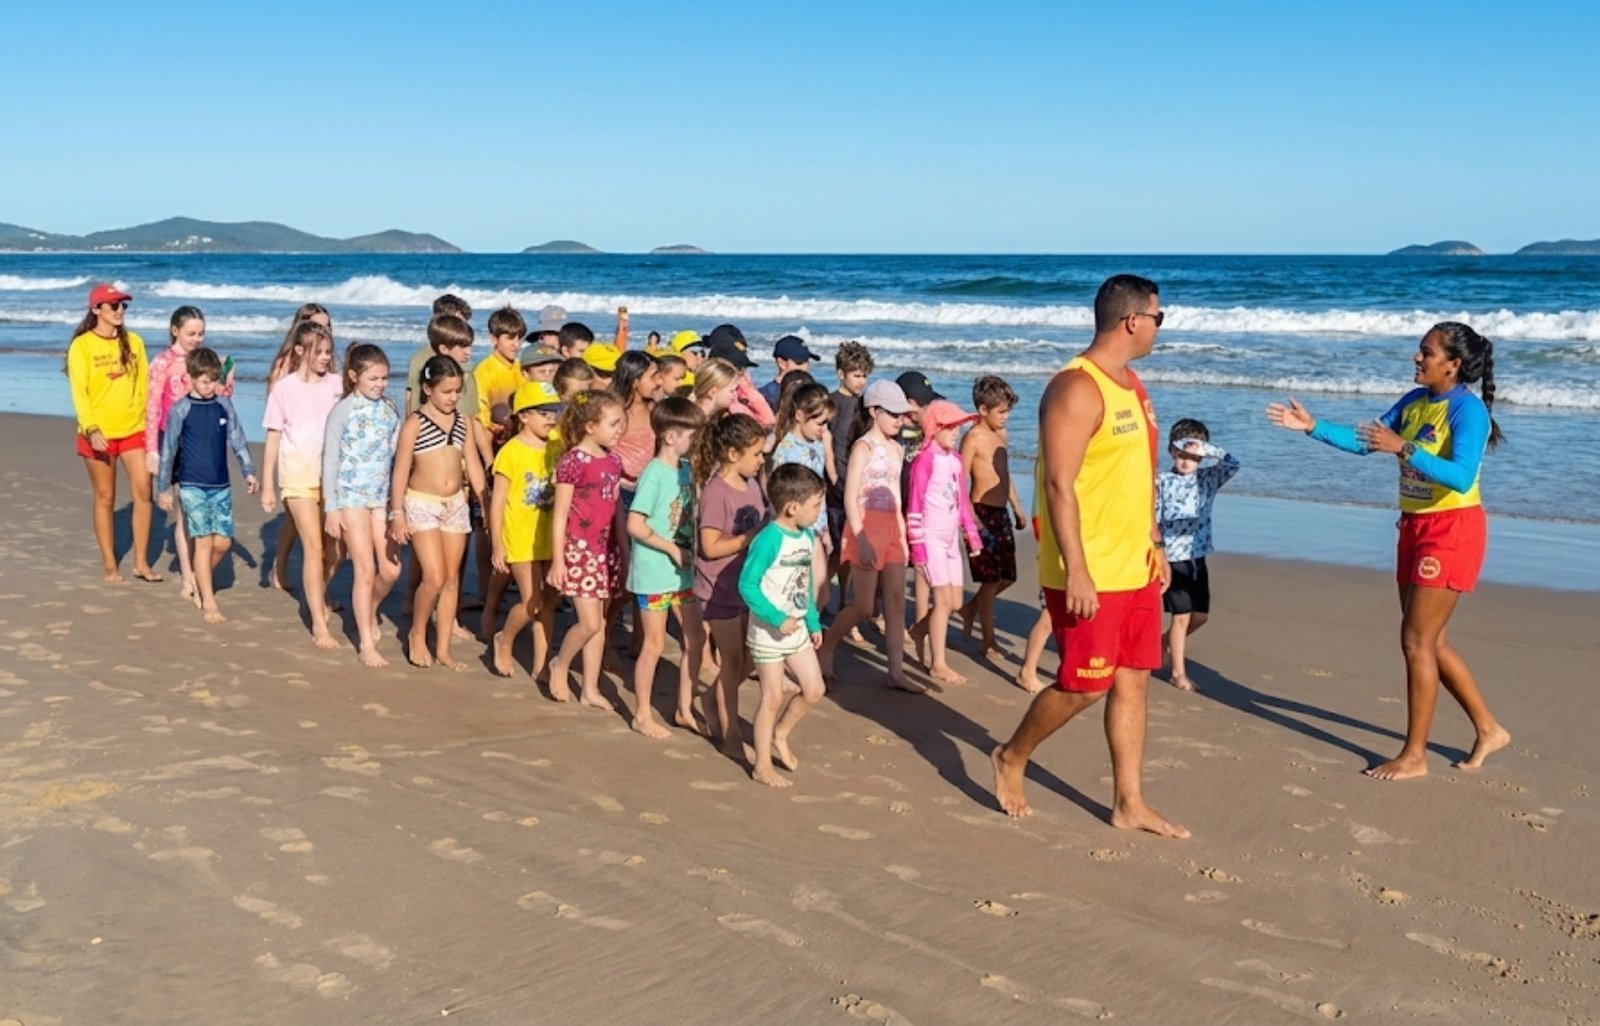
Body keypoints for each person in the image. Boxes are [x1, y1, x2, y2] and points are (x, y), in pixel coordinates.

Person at [1266, 322, 1511, 780]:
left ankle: (1414, 755)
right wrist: (1313, 427)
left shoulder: (1467, 410)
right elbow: (1367, 441)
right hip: (1414, 526)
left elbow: (1460, 476)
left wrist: (1406, 449)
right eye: (1420, 351)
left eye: (1427, 352)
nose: (1417, 358)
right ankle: (1489, 728)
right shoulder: (1415, 402)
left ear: (1452, 365)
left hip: (1452, 529)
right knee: (1429, 641)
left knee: (1416, 641)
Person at [990, 274, 1189, 839]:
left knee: (1133, 682)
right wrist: (1075, 568)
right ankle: (1012, 753)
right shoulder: (1076, 388)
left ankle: (1128, 802)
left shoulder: (1135, 386)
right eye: (1158, 316)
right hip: (1090, 568)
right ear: (1132, 320)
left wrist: (1154, 542)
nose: (1159, 326)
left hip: (1135, 564)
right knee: (1086, 683)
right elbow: (1059, 484)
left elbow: (1137, 475)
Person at [819, 380, 918, 693]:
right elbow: (850, 496)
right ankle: (828, 647)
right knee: (863, 606)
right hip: (865, 526)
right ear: (874, 411)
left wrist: (902, 534)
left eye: (903, 415)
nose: (900, 420)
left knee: (896, 602)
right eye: (894, 414)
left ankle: (895, 672)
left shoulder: (897, 449)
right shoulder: (863, 447)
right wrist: (860, 537)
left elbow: (895, 495)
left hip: (892, 528)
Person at [390, 356, 487, 670]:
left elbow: (472, 464)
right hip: (421, 503)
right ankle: (417, 633)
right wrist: (397, 513)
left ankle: (444, 649)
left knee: (450, 579)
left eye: (457, 391)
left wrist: (485, 503)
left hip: (455, 504)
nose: (453, 398)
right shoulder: (414, 424)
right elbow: (401, 472)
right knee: (432, 576)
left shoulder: (462, 422)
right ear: (427, 389)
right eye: (446, 391)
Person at [738, 464, 828, 787]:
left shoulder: (806, 536)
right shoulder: (769, 540)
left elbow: (805, 586)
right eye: (816, 505)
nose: (819, 512)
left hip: (799, 629)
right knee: (772, 697)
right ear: (792, 507)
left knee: (815, 689)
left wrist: (813, 621)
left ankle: (781, 733)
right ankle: (762, 765)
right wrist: (776, 618)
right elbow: (747, 585)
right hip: (768, 631)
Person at [154, 347, 258, 622]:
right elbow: (169, 451)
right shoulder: (181, 410)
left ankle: (201, 581)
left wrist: (248, 470)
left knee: (222, 543)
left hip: (220, 484)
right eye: (204, 381)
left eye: (214, 380)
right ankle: (209, 602)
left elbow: (237, 439)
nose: (210, 385)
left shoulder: (223, 405)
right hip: (191, 485)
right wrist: (163, 488)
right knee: (202, 542)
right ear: (190, 378)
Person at [625, 397, 708, 739]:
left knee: (696, 638)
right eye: (693, 434)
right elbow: (635, 523)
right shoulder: (655, 474)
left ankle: (684, 707)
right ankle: (642, 713)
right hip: (656, 571)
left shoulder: (685, 469)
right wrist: (671, 547)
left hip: (683, 572)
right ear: (671, 436)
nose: (697, 440)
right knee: (655, 643)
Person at [67, 283, 159, 583]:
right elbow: (80, 393)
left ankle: (141, 564)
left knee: (144, 494)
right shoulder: (82, 346)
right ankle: (110, 565)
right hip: (98, 432)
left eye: (123, 306)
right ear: (96, 310)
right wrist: (91, 428)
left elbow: (146, 386)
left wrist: (153, 426)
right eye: (113, 306)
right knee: (106, 497)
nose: (120, 311)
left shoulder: (135, 342)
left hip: (134, 429)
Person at [261, 320, 344, 648]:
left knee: (337, 551)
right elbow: (273, 437)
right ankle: (319, 624)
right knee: (314, 546)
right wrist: (268, 484)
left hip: (333, 478)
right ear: (299, 351)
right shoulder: (285, 388)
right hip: (297, 475)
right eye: (318, 352)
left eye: (328, 352)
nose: (325, 357)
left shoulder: (338, 384)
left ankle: (319, 595)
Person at [693, 413, 770, 759]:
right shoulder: (716, 492)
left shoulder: (752, 484)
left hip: (748, 588)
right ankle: (731, 733)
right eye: (756, 453)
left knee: (750, 661)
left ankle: (709, 699)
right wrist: (749, 538)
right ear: (732, 454)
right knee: (732, 660)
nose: (761, 460)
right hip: (718, 591)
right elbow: (709, 547)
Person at [322, 344, 402, 667]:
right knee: (365, 570)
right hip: (350, 498)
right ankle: (366, 643)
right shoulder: (343, 410)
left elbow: (397, 456)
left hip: (380, 499)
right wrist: (331, 506)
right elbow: (330, 459)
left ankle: (368, 610)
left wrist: (399, 505)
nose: (380, 384)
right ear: (354, 376)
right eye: (373, 378)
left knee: (392, 570)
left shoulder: (390, 410)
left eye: (384, 378)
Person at [545, 390, 627, 708]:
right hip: (579, 550)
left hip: (606, 551)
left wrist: (624, 549)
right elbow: (560, 514)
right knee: (589, 623)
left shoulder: (613, 460)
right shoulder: (572, 462)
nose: (620, 429)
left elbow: (617, 508)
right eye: (614, 423)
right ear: (591, 426)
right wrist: (557, 561)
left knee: (601, 624)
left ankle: (590, 688)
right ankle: (560, 664)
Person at [145, 306, 232, 600]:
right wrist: (152, 450)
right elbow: (153, 407)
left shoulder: (206, 360)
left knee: (204, 518)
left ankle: (199, 571)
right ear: (175, 330)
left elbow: (221, 400)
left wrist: (228, 379)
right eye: (191, 333)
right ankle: (188, 576)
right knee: (185, 517)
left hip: (204, 446)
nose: (197, 338)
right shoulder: (162, 363)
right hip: (175, 445)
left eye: (201, 333)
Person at [1156, 418, 1240, 692]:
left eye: (1193, 456)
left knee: (1199, 616)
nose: (1186, 460)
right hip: (1172, 558)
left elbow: (1232, 464)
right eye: (1181, 454)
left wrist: (1207, 449)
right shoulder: (1161, 481)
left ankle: (1163, 642)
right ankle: (1178, 672)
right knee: (1180, 616)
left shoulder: (1207, 479)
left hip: (1197, 556)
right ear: (1171, 452)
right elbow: (1152, 518)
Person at [489, 382, 565, 680]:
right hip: (521, 537)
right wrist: (498, 544)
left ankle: (542, 663)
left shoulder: (559, 444)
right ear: (523, 416)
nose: (550, 418)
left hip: (552, 536)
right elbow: (497, 503)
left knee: (549, 603)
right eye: (543, 412)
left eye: (554, 411)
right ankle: (503, 639)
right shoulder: (511, 452)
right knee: (531, 601)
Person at [907, 400, 983, 686]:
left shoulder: (954, 460)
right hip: (930, 538)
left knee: (954, 602)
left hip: (951, 542)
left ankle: (918, 631)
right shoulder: (925, 460)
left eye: (958, 427)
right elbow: (914, 505)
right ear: (934, 428)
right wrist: (918, 547)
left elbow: (961, 501)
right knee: (941, 602)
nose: (956, 432)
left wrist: (971, 534)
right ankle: (938, 663)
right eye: (950, 427)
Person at [958, 374, 1028, 660]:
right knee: (990, 580)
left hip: (1000, 514)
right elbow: (959, 478)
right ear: (983, 410)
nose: (1006, 417)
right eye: (1001, 412)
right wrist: (966, 515)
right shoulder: (972, 437)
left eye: (1008, 411)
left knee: (1008, 577)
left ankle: (971, 608)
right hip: (980, 513)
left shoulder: (1002, 436)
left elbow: (1004, 476)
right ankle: (988, 640)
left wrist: (1018, 508)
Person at [265, 302, 333, 591]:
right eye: (319, 325)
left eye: (328, 327)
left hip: (324, 471)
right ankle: (281, 564)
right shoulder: (284, 372)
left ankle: (317, 591)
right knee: (302, 530)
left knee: (314, 534)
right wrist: (269, 481)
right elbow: (276, 426)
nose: (325, 331)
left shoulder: (332, 374)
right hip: (297, 468)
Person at [770, 382, 838, 610]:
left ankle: (807, 635)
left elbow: (820, 492)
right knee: (804, 591)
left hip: (817, 527)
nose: (824, 429)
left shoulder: (816, 443)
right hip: (796, 530)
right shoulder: (786, 450)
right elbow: (779, 496)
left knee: (819, 592)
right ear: (799, 415)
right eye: (819, 423)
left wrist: (824, 529)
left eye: (827, 423)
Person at [827, 341, 874, 611]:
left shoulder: (866, 406)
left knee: (851, 552)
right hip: (835, 490)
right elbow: (831, 448)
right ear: (841, 373)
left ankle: (845, 601)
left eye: (864, 375)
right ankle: (821, 597)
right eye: (856, 375)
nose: (861, 381)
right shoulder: (832, 404)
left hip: (858, 488)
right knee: (835, 553)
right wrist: (836, 481)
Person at [704, 325, 775, 428]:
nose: (743, 373)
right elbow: (767, 421)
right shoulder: (728, 400)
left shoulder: (741, 385)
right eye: (739, 369)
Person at [759, 334, 820, 410]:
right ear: (781, 363)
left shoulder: (812, 392)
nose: (805, 367)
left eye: (807, 361)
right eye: (799, 363)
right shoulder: (767, 397)